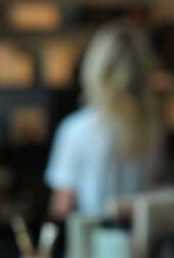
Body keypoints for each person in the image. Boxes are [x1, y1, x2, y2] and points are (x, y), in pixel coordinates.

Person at [45, 19, 166, 219]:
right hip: (139, 239)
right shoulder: (153, 128)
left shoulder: (75, 129)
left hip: (91, 242)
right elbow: (152, 187)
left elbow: (62, 207)